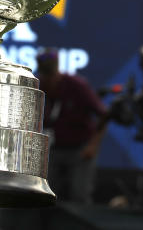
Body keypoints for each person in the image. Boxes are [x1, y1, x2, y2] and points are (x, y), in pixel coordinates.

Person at [36, 48, 108, 204]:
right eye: (45, 75)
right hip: (53, 150)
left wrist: (93, 146)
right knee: (45, 193)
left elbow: (103, 115)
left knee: (79, 194)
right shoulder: (39, 85)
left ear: (57, 70)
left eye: (51, 75)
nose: (49, 80)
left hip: (80, 150)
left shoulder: (77, 86)